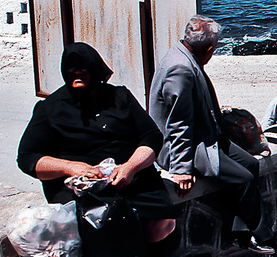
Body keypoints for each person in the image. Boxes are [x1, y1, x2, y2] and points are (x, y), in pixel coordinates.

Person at [17, 42, 176, 245]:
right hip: (82, 188)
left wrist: (130, 167)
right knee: (105, 230)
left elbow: (151, 136)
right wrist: (73, 168)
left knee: (163, 221)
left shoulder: (120, 97)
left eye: (83, 68)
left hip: (127, 178)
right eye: (71, 69)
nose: (77, 73)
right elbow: (27, 158)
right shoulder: (49, 109)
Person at [147, 15, 263, 238]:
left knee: (251, 164)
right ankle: (261, 235)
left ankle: (240, 227)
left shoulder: (183, 55)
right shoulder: (181, 69)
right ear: (209, 48)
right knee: (244, 179)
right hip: (187, 149)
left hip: (205, 138)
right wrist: (182, 169)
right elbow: (179, 124)